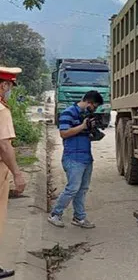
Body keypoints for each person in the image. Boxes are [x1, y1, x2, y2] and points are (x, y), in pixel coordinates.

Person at [47, 90, 104, 229]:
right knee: (72, 188)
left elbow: (85, 135)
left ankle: (79, 217)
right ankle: (55, 214)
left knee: (82, 189)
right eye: (94, 106)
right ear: (88, 102)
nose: (94, 109)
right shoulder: (68, 113)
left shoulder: (86, 116)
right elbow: (64, 133)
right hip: (73, 158)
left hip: (86, 157)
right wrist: (83, 126)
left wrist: (93, 131)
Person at [0, 66, 27, 279]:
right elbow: (4, 146)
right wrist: (17, 173)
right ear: (4, 85)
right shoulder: (1, 110)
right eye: (9, 86)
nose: (9, 90)